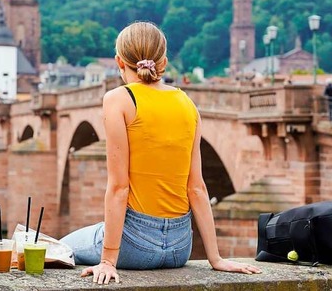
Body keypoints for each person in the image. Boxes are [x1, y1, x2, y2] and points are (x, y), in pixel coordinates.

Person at [60, 22, 261, 285]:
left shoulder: (118, 99)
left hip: (134, 245)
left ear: (119, 62)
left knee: (55, 247)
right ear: (163, 61)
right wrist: (216, 259)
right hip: (180, 248)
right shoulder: (187, 104)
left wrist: (108, 260)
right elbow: (197, 188)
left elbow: (119, 188)